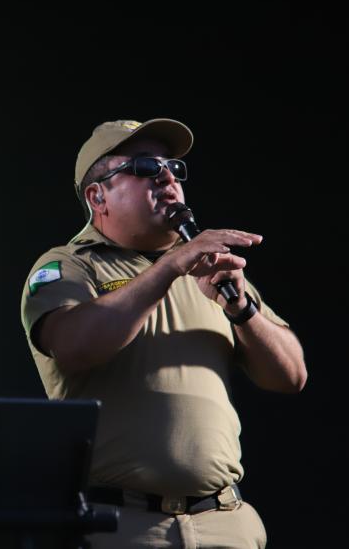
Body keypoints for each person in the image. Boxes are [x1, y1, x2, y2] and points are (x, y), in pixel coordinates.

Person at [19, 119, 306, 548]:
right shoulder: (70, 266)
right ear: (98, 196)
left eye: (172, 167)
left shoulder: (210, 268)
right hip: (122, 525)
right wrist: (170, 267)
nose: (168, 177)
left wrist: (242, 308)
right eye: (145, 167)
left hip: (225, 522)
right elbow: (75, 347)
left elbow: (291, 376)